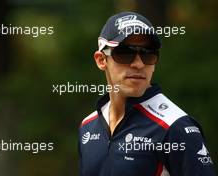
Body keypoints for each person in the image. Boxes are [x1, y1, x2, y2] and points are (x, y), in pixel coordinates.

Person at [78, 11, 216, 176]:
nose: (138, 64)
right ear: (101, 60)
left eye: (147, 54)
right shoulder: (87, 126)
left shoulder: (176, 127)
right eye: (125, 53)